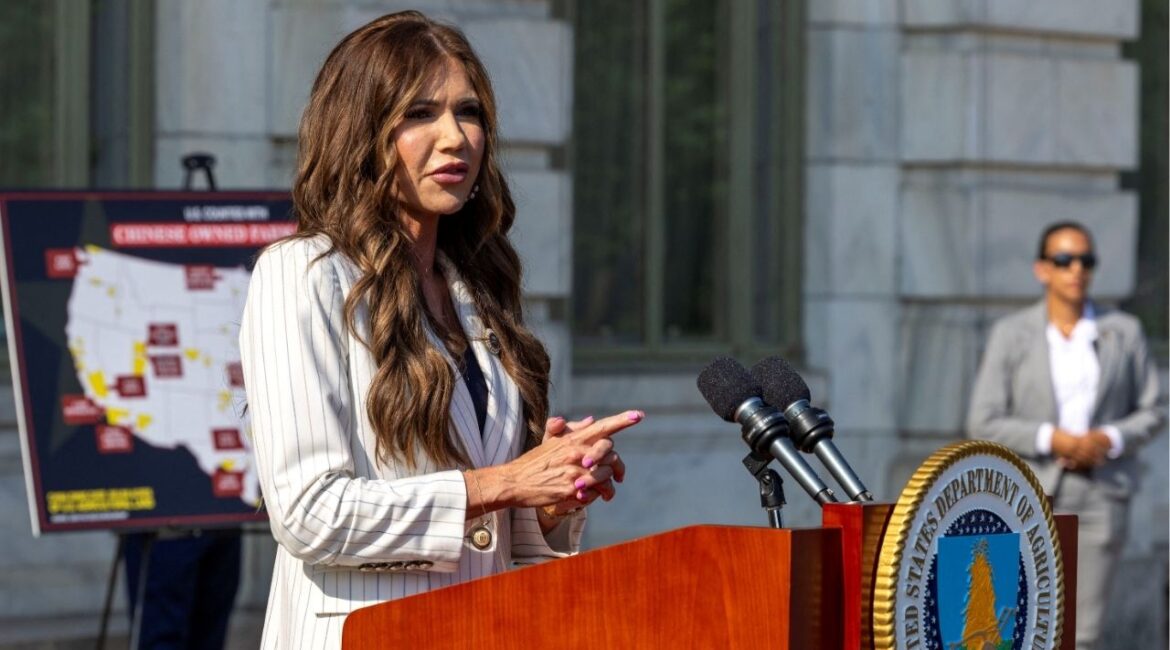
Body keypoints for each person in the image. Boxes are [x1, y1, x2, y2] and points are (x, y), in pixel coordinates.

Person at [238, 11, 643, 649]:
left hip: (483, 629)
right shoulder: (304, 273)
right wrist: (505, 482)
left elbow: (491, 530)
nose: (456, 137)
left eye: (470, 112)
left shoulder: (476, 285)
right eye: (420, 113)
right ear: (359, 131)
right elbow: (308, 513)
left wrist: (550, 496)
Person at [967, 221, 1165, 650]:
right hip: (1029, 492)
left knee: (1084, 633)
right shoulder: (1012, 334)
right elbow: (983, 420)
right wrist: (1051, 438)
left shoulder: (1123, 331)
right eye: (1064, 260)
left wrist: (1108, 438)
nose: (1076, 269)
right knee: (1016, 624)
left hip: (1101, 493)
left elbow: (1155, 409)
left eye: (1086, 260)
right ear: (1043, 269)